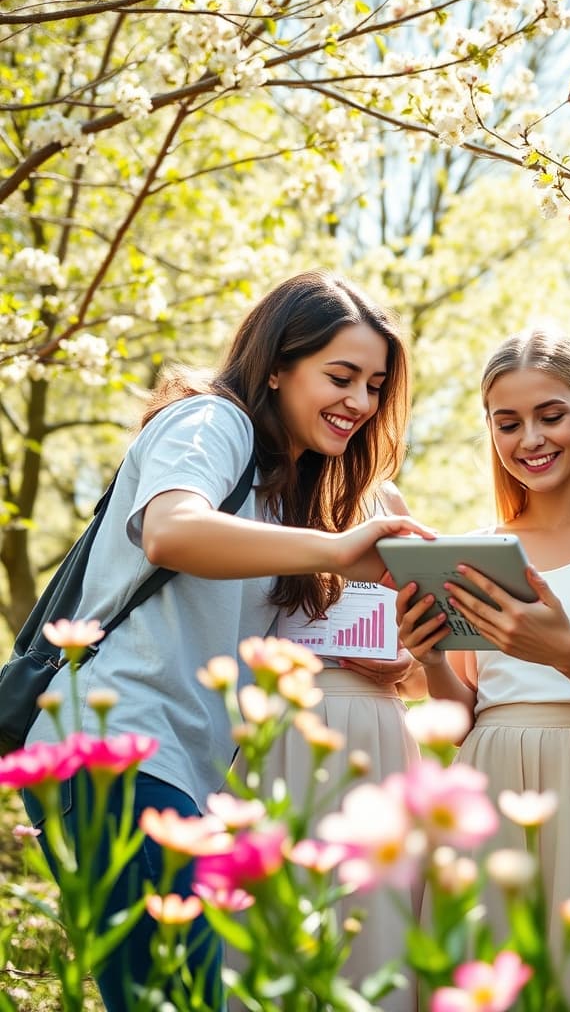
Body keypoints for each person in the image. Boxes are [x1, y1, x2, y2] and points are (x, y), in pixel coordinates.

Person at [20, 270, 433, 1012]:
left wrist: (386, 650)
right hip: (117, 752)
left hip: (178, 770)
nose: (361, 403)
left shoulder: (282, 491)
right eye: (340, 377)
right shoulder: (212, 423)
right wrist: (336, 550)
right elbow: (172, 530)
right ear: (275, 366)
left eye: (375, 386)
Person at [395, 328, 570, 1010]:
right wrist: (431, 656)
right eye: (508, 423)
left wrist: (562, 650)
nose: (530, 439)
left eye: (550, 416)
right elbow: (461, 715)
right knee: (480, 977)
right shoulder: (480, 549)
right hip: (487, 771)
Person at [261, 478, 426, 1012]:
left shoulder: (386, 502)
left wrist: (406, 664)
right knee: (276, 912)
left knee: (374, 916)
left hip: (375, 727)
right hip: (278, 725)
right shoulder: (258, 488)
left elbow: (429, 668)